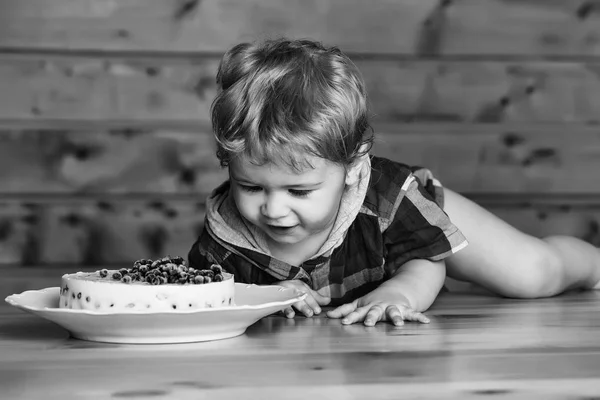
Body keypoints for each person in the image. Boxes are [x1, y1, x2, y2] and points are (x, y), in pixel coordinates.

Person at [188, 38, 600, 327]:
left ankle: (594, 265)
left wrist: (402, 294)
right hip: (368, 282)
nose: (273, 209)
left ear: (351, 167)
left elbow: (427, 258)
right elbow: (216, 294)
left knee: (533, 274)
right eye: (252, 187)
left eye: (299, 191)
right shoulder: (225, 233)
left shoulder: (386, 196)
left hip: (412, 216)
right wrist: (270, 297)